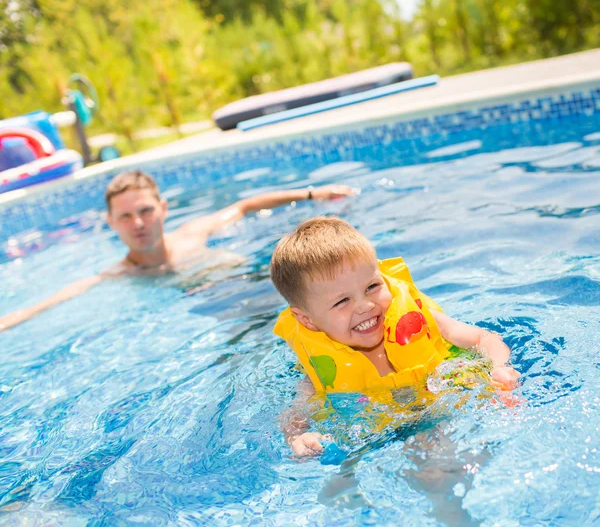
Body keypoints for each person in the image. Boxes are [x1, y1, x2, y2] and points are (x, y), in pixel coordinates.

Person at [270, 216, 520, 456]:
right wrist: (297, 438)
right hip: (376, 434)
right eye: (342, 301)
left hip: (448, 408)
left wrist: (500, 368)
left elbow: (484, 339)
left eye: (372, 287)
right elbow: (295, 415)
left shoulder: (420, 319)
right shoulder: (319, 370)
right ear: (307, 320)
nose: (365, 306)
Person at [0, 170, 354, 332]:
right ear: (111, 222)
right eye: (126, 216)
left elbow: (245, 205)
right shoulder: (121, 274)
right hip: (231, 313)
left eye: (145, 211)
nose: (138, 223)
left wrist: (314, 194)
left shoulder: (192, 234)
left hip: (262, 285)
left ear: (163, 209)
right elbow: (55, 300)